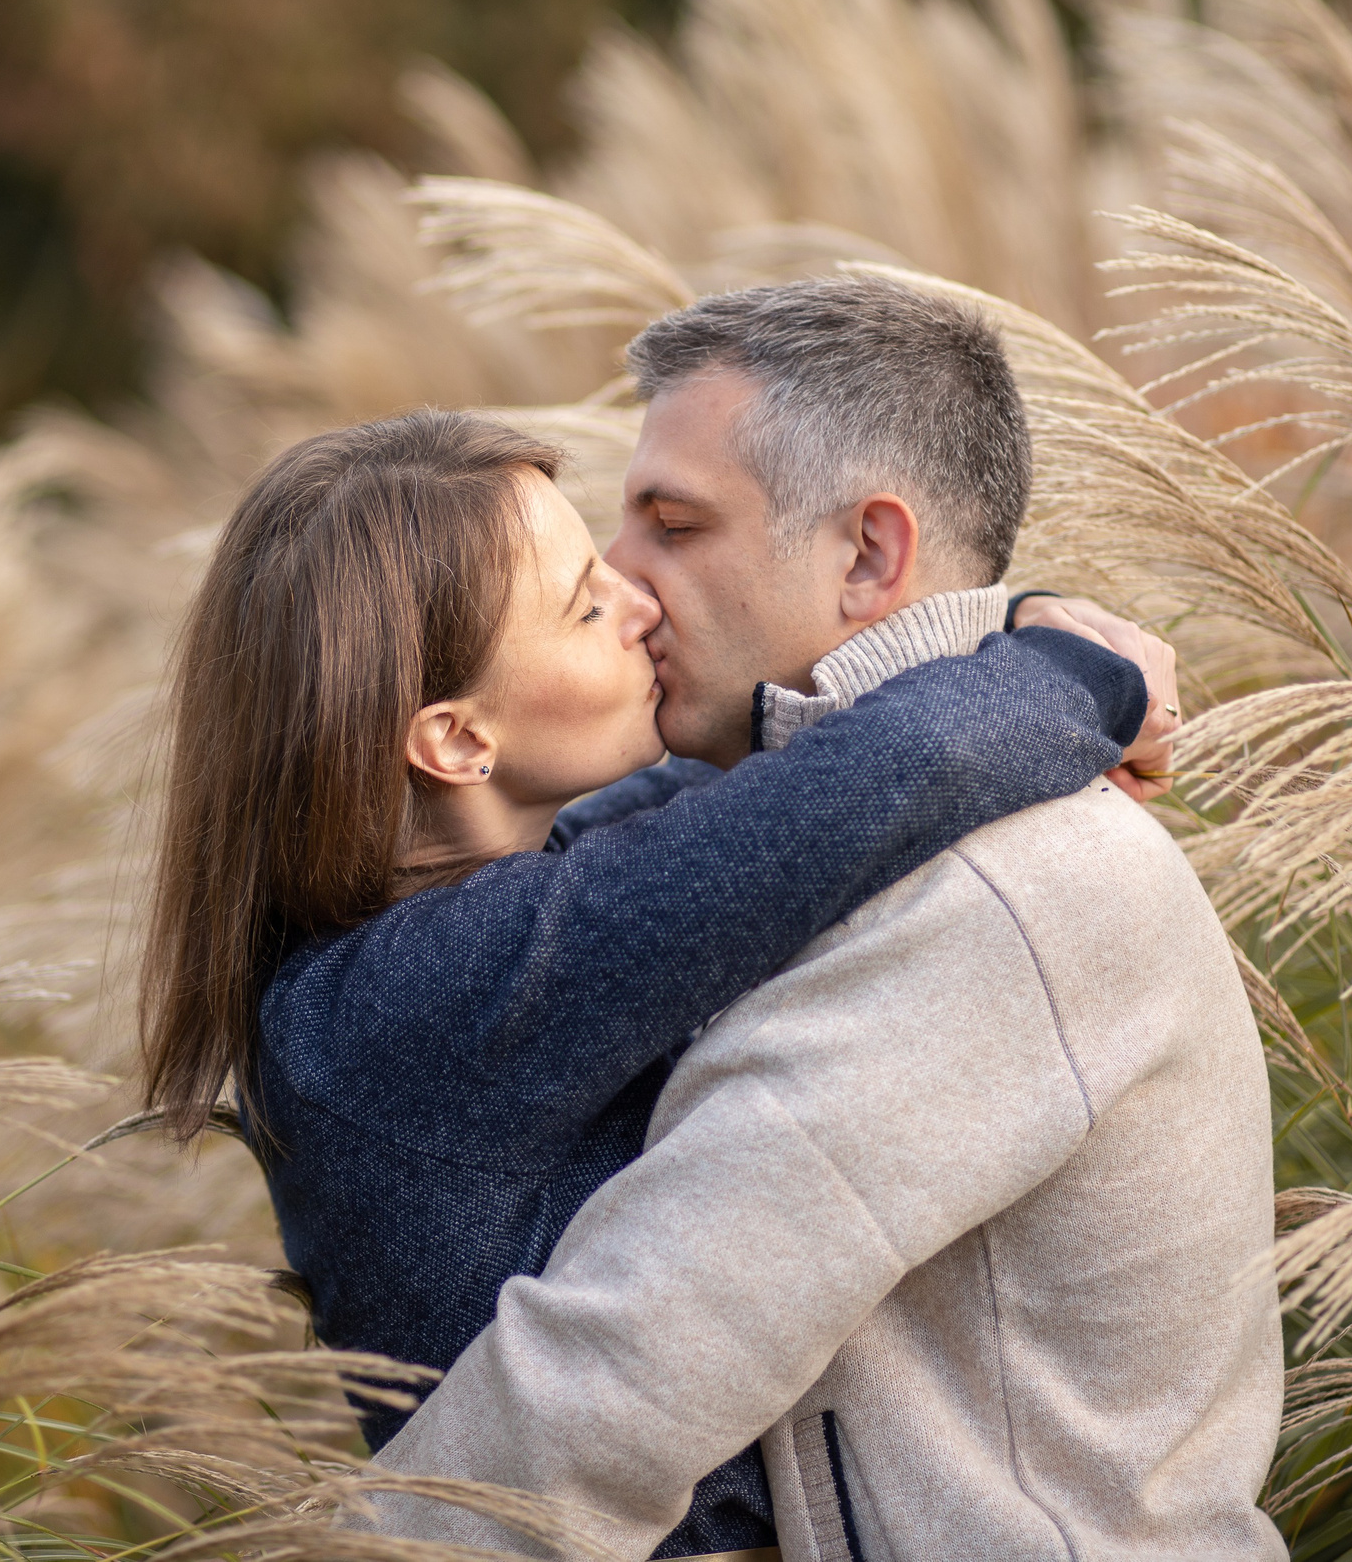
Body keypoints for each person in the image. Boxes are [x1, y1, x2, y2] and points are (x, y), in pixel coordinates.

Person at [138, 406, 1173, 1557]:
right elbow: (856, 794)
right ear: (455, 742)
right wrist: (1077, 677)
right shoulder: (419, 998)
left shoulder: (430, 942)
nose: (640, 604)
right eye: (585, 605)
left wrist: (1001, 629)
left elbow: (737, 799)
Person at [364, 276, 1287, 1561]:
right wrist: (1038, 642)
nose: (621, 584)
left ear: (868, 554)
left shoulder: (1005, 885)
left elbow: (626, 1365)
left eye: (672, 526)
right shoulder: (761, 818)